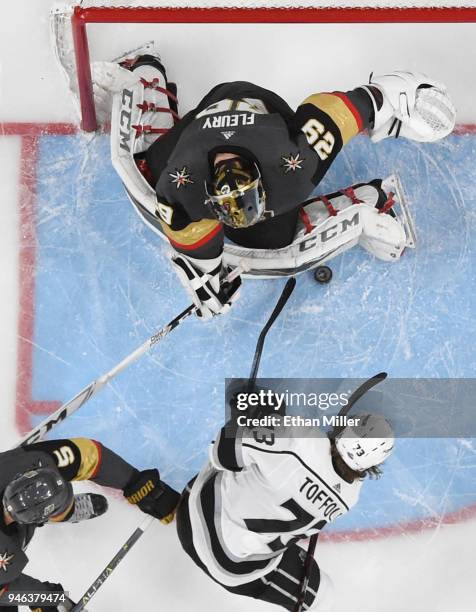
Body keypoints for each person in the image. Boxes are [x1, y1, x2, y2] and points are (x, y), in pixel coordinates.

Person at [91, 54, 455, 318]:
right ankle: (146, 76)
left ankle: (371, 201)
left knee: (274, 237)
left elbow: (350, 105)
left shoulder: (296, 160)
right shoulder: (178, 186)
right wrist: (207, 272)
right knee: (149, 170)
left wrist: (399, 98)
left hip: (264, 109)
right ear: (206, 194)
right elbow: (191, 237)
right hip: (203, 119)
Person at [174, 409, 395, 611]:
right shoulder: (349, 498)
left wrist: (250, 419)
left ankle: (164, 502)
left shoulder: (298, 439)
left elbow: (220, 453)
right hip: (239, 569)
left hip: (194, 519)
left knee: (236, 465)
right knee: (323, 598)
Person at [0, 437, 179, 612]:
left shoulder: (26, 463)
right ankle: (59, 512)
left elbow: (88, 453)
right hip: (8, 556)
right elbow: (7, 590)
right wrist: (44, 598)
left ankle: (64, 511)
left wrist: (134, 482)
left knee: (56, 497)